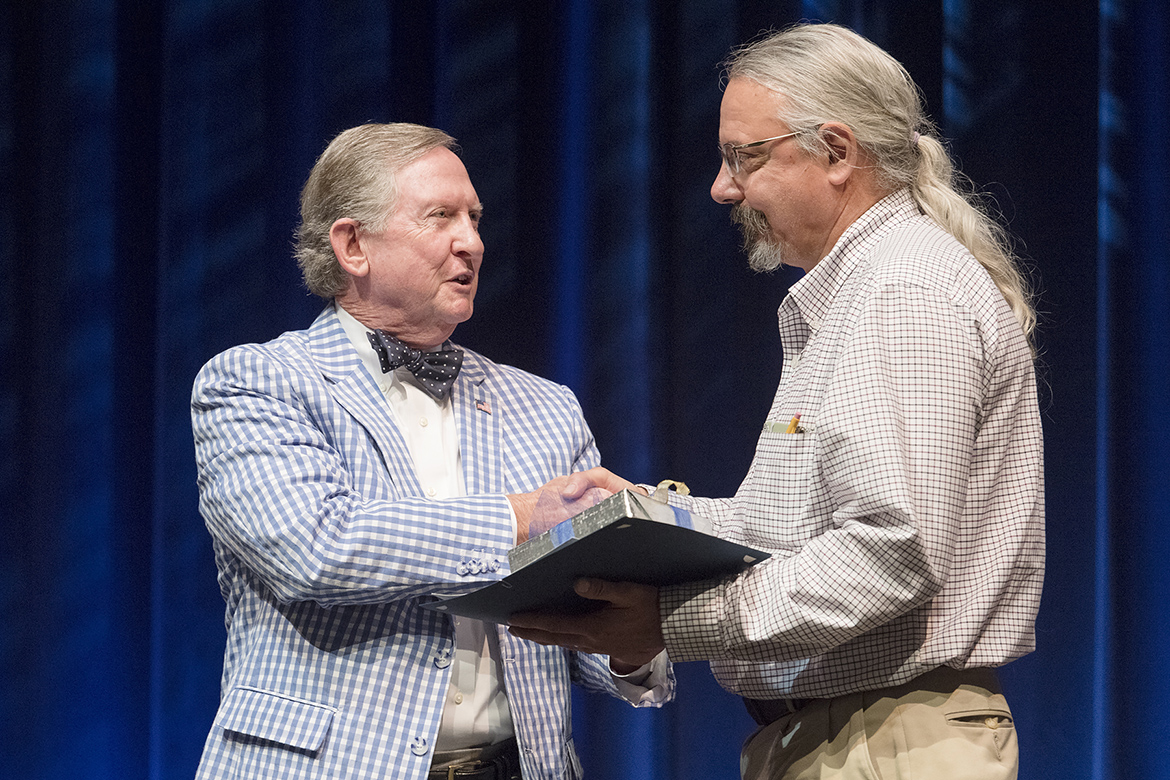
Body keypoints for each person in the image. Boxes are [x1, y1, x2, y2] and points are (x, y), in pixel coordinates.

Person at [508, 23, 1044, 780]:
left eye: (744, 156)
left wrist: (676, 620)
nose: (724, 187)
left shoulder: (901, 291)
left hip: (887, 744)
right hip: (846, 739)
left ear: (836, 152)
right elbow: (800, 529)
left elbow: (891, 550)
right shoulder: (857, 291)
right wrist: (649, 518)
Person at [190, 122, 672, 780]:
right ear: (353, 245)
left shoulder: (545, 405)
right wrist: (521, 519)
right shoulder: (257, 382)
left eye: (475, 218)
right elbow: (317, 548)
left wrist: (632, 643)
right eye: (440, 216)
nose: (470, 241)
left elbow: (576, 626)